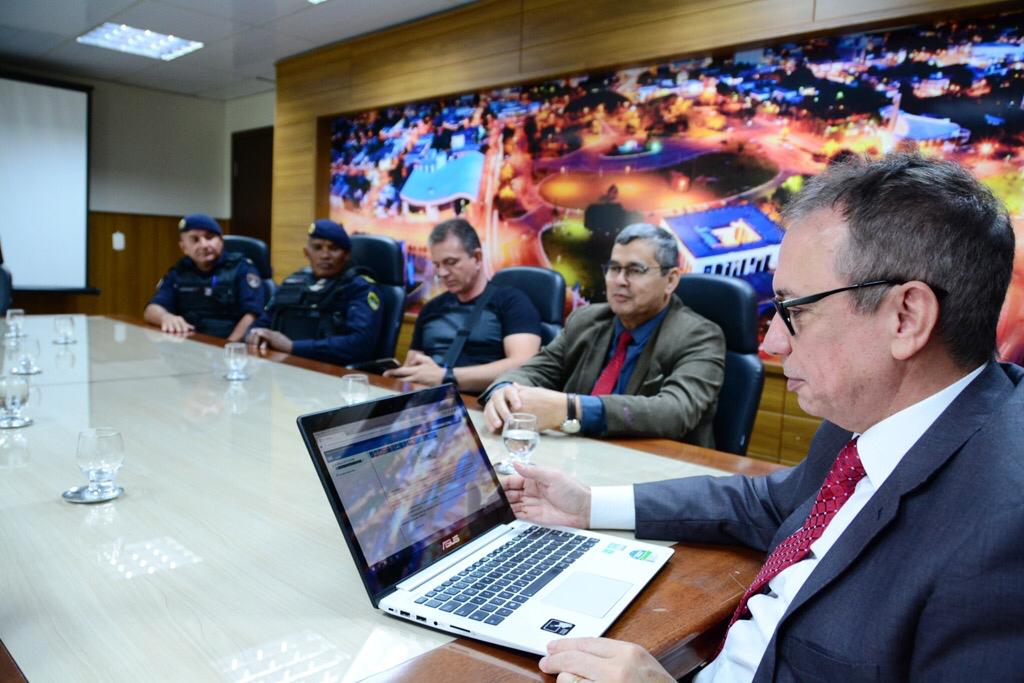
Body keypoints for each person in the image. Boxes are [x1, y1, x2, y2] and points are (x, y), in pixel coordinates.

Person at [504, 153, 1024, 682]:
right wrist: (588, 505)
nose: (772, 342)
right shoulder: (868, 415)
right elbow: (766, 502)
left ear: (905, 317)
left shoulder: (1003, 540)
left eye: (793, 309)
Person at [482, 223, 725, 444]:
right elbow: (535, 370)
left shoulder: (701, 337)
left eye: (635, 270)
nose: (620, 280)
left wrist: (572, 409)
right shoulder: (587, 319)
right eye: (614, 268)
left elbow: (675, 412)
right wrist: (504, 391)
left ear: (671, 280)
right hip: (579, 456)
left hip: (658, 470)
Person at [383, 218, 542, 393]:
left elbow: (524, 364)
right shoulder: (431, 308)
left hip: (484, 406)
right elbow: (414, 365)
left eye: (451, 262)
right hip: (430, 404)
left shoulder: (512, 302)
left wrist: (446, 377)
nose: (442, 273)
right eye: (437, 265)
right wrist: (402, 375)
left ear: (477, 258)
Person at [246, 219, 382, 366]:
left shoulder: (359, 288)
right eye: (317, 248)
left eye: (334, 248)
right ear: (306, 252)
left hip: (334, 374)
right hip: (284, 368)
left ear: (347, 254)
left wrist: (293, 347)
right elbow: (263, 321)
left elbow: (360, 344)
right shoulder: (292, 282)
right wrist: (256, 335)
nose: (325, 255)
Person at [143, 214, 265, 341]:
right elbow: (151, 309)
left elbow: (253, 314)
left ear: (221, 241)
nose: (204, 245)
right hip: (189, 348)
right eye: (195, 240)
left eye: (209, 237)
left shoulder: (241, 268)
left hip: (231, 349)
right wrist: (165, 317)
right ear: (184, 248)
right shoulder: (179, 272)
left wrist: (227, 347)